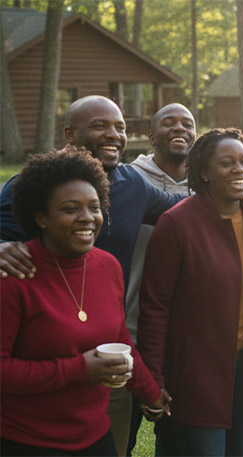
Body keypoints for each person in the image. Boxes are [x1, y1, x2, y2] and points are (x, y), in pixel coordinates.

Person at [0, 95, 184, 457]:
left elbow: (184, 211)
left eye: (120, 127)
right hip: (30, 417)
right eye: (100, 126)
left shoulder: (132, 187)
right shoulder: (28, 195)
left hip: (101, 393)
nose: (113, 135)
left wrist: (240, 195)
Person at [137, 128, 243, 456]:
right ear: (204, 172)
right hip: (196, 372)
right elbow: (155, 308)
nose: (239, 169)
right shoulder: (177, 224)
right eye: (226, 163)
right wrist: (152, 378)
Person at [126, 103, 196, 457]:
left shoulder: (206, 186)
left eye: (188, 123)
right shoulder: (129, 180)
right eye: (169, 123)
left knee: (177, 441)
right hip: (131, 329)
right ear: (152, 136)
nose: (179, 128)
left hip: (183, 338)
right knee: (120, 434)